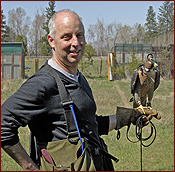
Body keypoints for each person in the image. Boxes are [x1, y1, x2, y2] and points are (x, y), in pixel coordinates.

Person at [1, 9, 156, 171]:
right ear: (51, 41)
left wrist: (129, 117)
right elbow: (3, 123)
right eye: (67, 37)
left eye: (79, 35)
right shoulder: (43, 83)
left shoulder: (77, 76)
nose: (75, 42)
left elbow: (88, 125)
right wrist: (30, 167)